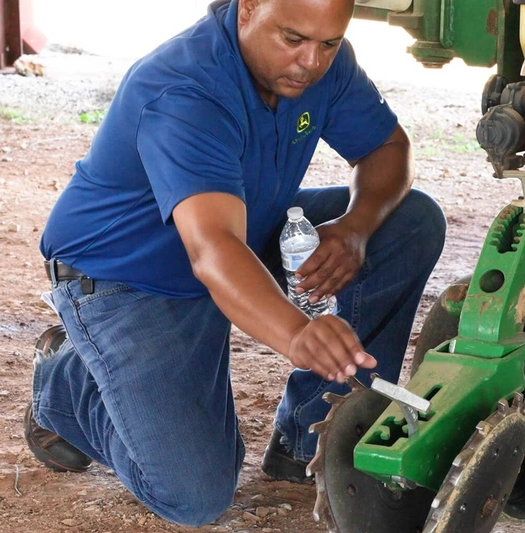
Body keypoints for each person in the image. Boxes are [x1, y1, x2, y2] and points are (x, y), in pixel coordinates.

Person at [26, 0, 446, 526]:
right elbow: (213, 248)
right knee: (193, 497)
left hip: (241, 235)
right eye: (292, 39)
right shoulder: (185, 88)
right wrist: (298, 334)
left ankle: (312, 438)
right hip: (129, 279)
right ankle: (65, 383)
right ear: (248, 9)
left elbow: (386, 146)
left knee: (409, 221)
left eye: (328, 44)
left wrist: (355, 229)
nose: (311, 62)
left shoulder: (320, 60)